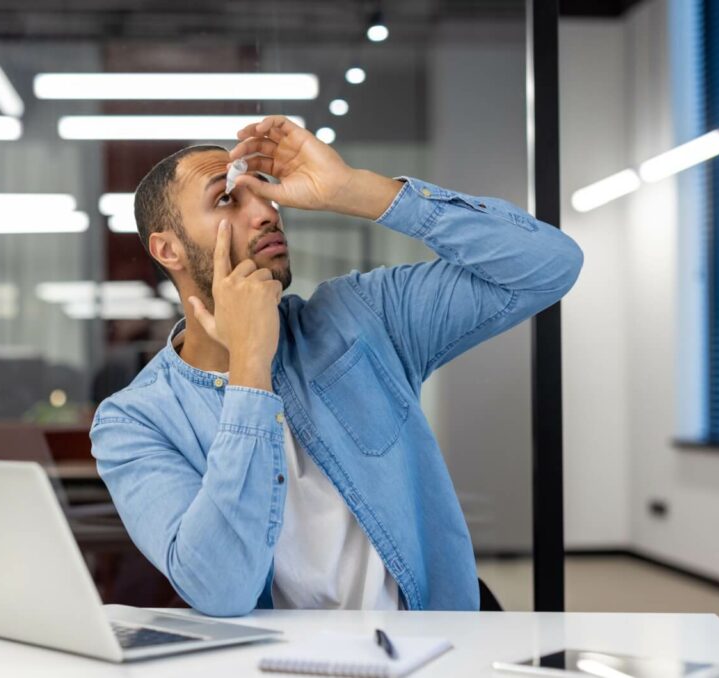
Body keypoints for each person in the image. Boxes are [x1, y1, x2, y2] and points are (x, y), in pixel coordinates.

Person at [90, 115, 583, 616]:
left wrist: (355, 191)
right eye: (226, 198)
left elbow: (549, 263)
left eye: (265, 191)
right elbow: (222, 590)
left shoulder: (362, 316)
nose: (265, 211)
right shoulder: (133, 422)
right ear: (167, 248)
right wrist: (250, 369)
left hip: (430, 649)